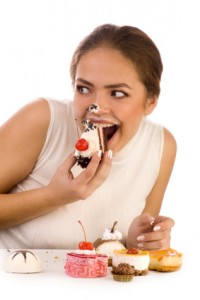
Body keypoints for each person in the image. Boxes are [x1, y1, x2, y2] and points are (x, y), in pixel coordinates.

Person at [0, 24, 176, 249]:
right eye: (84, 89)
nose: (97, 106)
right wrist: (53, 196)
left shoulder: (161, 147)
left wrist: (138, 241)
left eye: (118, 93)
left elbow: (120, 252)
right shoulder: (42, 119)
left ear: (150, 101)